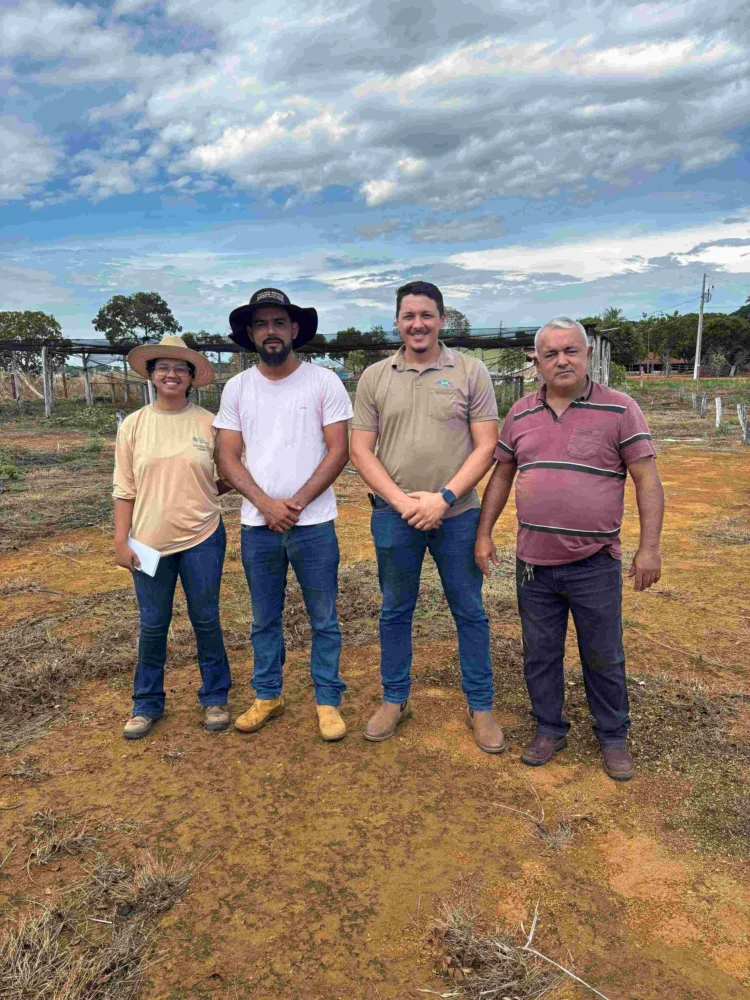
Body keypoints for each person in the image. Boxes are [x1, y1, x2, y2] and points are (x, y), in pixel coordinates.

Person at [475, 317, 664, 781]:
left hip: (594, 563)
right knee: (540, 653)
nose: (562, 360)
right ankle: (549, 728)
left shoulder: (620, 409)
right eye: (551, 353)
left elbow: (646, 479)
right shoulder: (519, 414)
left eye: (571, 351)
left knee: (603, 653)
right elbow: (501, 474)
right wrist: (483, 533)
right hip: (533, 564)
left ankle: (613, 736)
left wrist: (650, 548)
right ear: (536, 362)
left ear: (587, 355)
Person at [350, 281, 503, 751]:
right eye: (409, 315)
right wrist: (403, 502)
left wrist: (444, 497)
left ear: (442, 320)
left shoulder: (471, 372)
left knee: (469, 611)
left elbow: (487, 445)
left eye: (427, 315)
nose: (418, 324)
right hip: (395, 517)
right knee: (395, 610)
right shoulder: (375, 377)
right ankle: (395, 698)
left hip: (457, 516)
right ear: (397, 321)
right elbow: (360, 449)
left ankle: (481, 706)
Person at [214, 288, 353, 742]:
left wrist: (292, 505)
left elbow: (339, 450)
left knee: (324, 617)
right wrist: (266, 505)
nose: (270, 331)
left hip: (313, 525)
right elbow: (228, 456)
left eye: (278, 322)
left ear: (294, 330)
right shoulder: (237, 387)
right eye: (261, 324)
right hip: (258, 527)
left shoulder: (324, 382)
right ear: (250, 334)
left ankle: (328, 701)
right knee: (263, 618)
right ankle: (267, 694)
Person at [113, 335, 233, 739]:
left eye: (180, 368)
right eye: (162, 367)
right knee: (152, 624)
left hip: (203, 536)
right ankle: (146, 704)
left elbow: (231, 472)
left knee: (205, 619)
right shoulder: (133, 425)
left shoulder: (209, 422)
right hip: (146, 542)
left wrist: (199, 493)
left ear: (191, 378)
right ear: (151, 375)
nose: (170, 374)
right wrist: (121, 540)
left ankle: (215, 697)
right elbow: (123, 488)